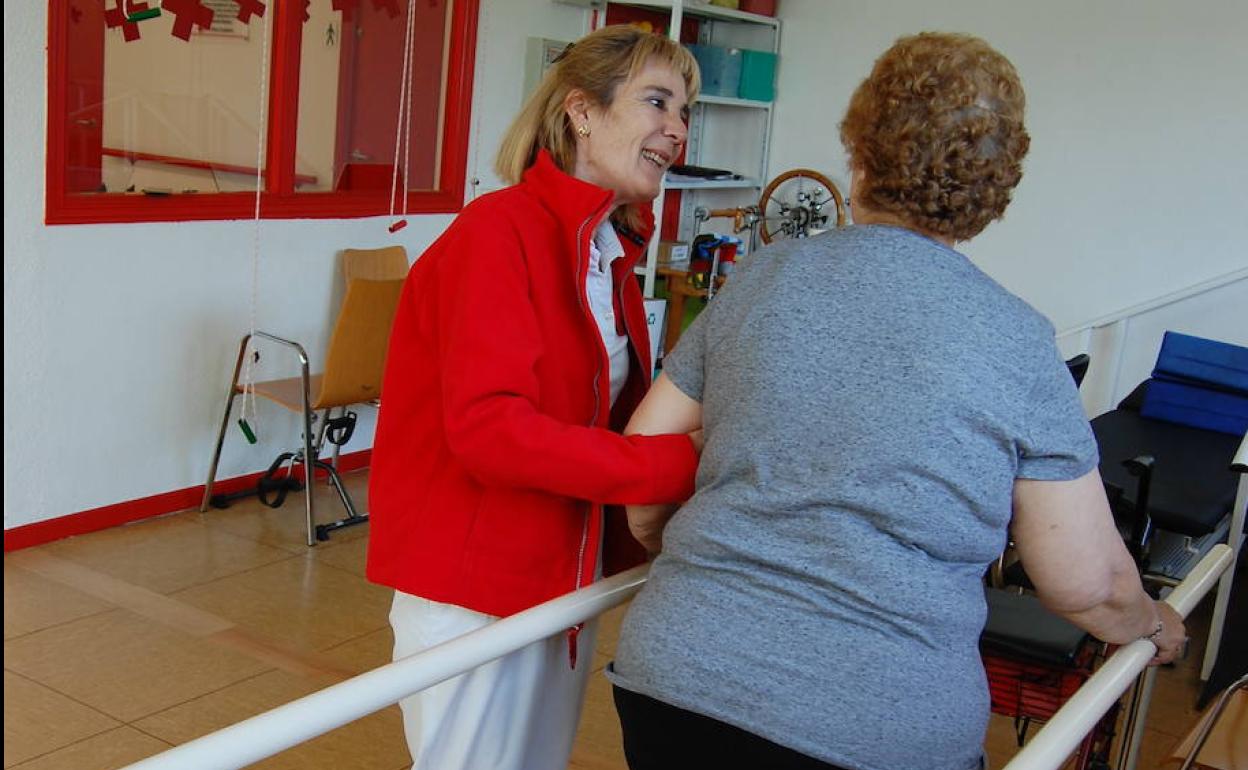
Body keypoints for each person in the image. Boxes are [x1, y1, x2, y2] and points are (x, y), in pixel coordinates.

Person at [608, 32, 1186, 770]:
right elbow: (1087, 583)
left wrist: (700, 572)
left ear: (860, 155)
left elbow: (646, 462)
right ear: (995, 190)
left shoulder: (761, 278)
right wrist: (1152, 622)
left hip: (678, 677)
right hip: (877, 725)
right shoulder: (1016, 339)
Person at [365, 25, 702, 770]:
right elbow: (490, 429)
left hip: (558, 586)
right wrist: (669, 468)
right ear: (582, 110)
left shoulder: (606, 251)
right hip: (473, 592)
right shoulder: (500, 231)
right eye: (657, 102)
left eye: (685, 111)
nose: (676, 130)